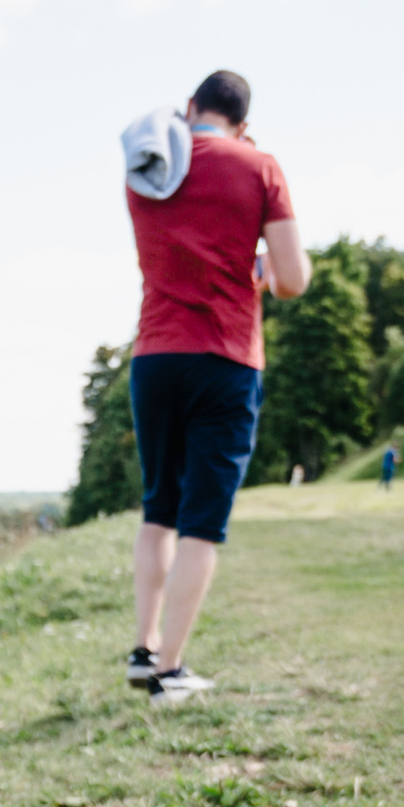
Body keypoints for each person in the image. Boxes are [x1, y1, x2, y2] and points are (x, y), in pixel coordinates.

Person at [120, 69, 308, 704]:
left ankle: (144, 651)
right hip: (225, 356)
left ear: (192, 106)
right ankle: (172, 672)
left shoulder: (147, 166)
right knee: (202, 522)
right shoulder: (259, 168)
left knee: (159, 510)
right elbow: (294, 279)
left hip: (155, 355)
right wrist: (258, 271)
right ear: (243, 124)